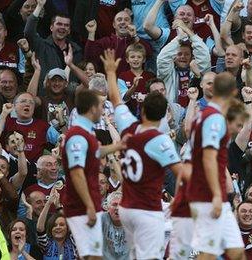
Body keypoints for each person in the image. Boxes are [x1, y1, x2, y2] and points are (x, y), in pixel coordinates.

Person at [103, 47, 184, 259]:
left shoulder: (128, 125)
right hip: (147, 211)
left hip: (127, 208)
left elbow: (115, 98)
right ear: (164, 115)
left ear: (143, 110)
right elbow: (183, 174)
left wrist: (111, 72)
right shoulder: (160, 140)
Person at [185, 72, 246, 260]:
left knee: (236, 252)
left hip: (210, 192)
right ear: (234, 91)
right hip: (208, 195)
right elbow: (208, 158)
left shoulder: (201, 116)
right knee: (208, 254)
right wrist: (217, 195)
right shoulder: (214, 119)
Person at [61, 88, 123, 260]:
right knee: (92, 256)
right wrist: (88, 206)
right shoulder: (77, 136)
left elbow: (95, 152)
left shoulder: (85, 133)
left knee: (94, 255)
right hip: (81, 205)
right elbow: (76, 173)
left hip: (87, 203)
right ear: (93, 108)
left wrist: (118, 146)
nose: (104, 110)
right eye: (102, 106)